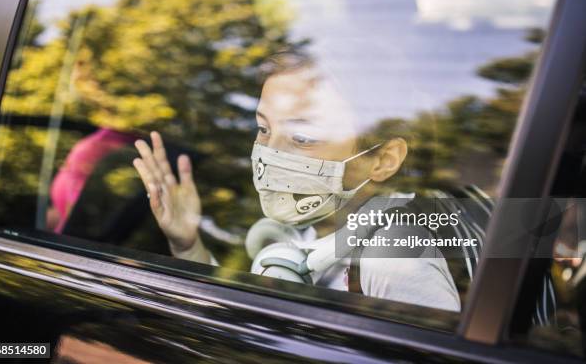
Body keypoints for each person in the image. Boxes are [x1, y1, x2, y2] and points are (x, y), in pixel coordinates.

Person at [132, 52, 461, 311]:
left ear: (384, 160)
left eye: (303, 136)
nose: (269, 153)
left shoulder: (392, 260)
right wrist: (188, 245)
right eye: (264, 129)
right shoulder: (309, 230)